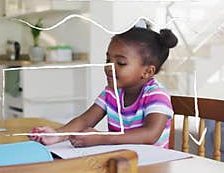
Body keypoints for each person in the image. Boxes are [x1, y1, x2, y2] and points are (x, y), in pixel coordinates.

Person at [29, 25, 178, 149]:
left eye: (120, 63)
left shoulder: (156, 95)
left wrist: (101, 138)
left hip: (154, 164)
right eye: (108, 59)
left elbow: (150, 134)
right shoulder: (111, 93)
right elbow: (84, 121)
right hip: (122, 161)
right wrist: (56, 135)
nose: (109, 67)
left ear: (147, 71)